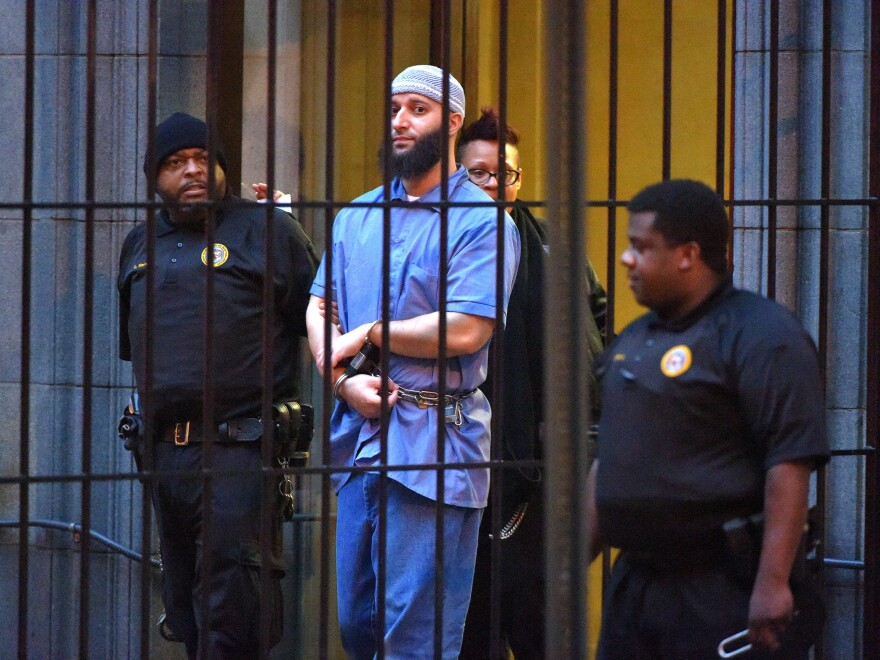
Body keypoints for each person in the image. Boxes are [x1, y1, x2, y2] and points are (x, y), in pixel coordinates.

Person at [306, 65, 520, 658]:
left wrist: (372, 332)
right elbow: (320, 304)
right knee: (355, 622)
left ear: (451, 122)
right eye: (395, 107)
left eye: (417, 109)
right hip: (361, 438)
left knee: (415, 635)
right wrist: (341, 378)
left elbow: (467, 327)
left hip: (437, 443)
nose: (400, 120)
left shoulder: (483, 221)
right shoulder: (356, 214)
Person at [587, 179, 830, 658]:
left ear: (687, 254)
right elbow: (611, 459)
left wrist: (773, 583)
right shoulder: (635, 339)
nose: (625, 260)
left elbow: (790, 464)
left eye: (641, 247)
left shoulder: (762, 335)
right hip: (636, 585)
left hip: (719, 588)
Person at [117, 112, 317, 658]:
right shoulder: (139, 243)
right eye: (176, 163)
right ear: (154, 177)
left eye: (203, 159)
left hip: (241, 450)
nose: (192, 171)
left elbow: (326, 324)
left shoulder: (267, 230)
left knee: (235, 614)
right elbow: (137, 353)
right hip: (164, 456)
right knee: (185, 612)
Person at [456, 107, 606, 659]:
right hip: (455, 465)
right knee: (469, 632)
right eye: (480, 173)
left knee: (544, 629)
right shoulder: (436, 245)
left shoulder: (552, 248)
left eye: (508, 173)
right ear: (456, 176)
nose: (497, 184)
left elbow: (595, 328)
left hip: (543, 476)